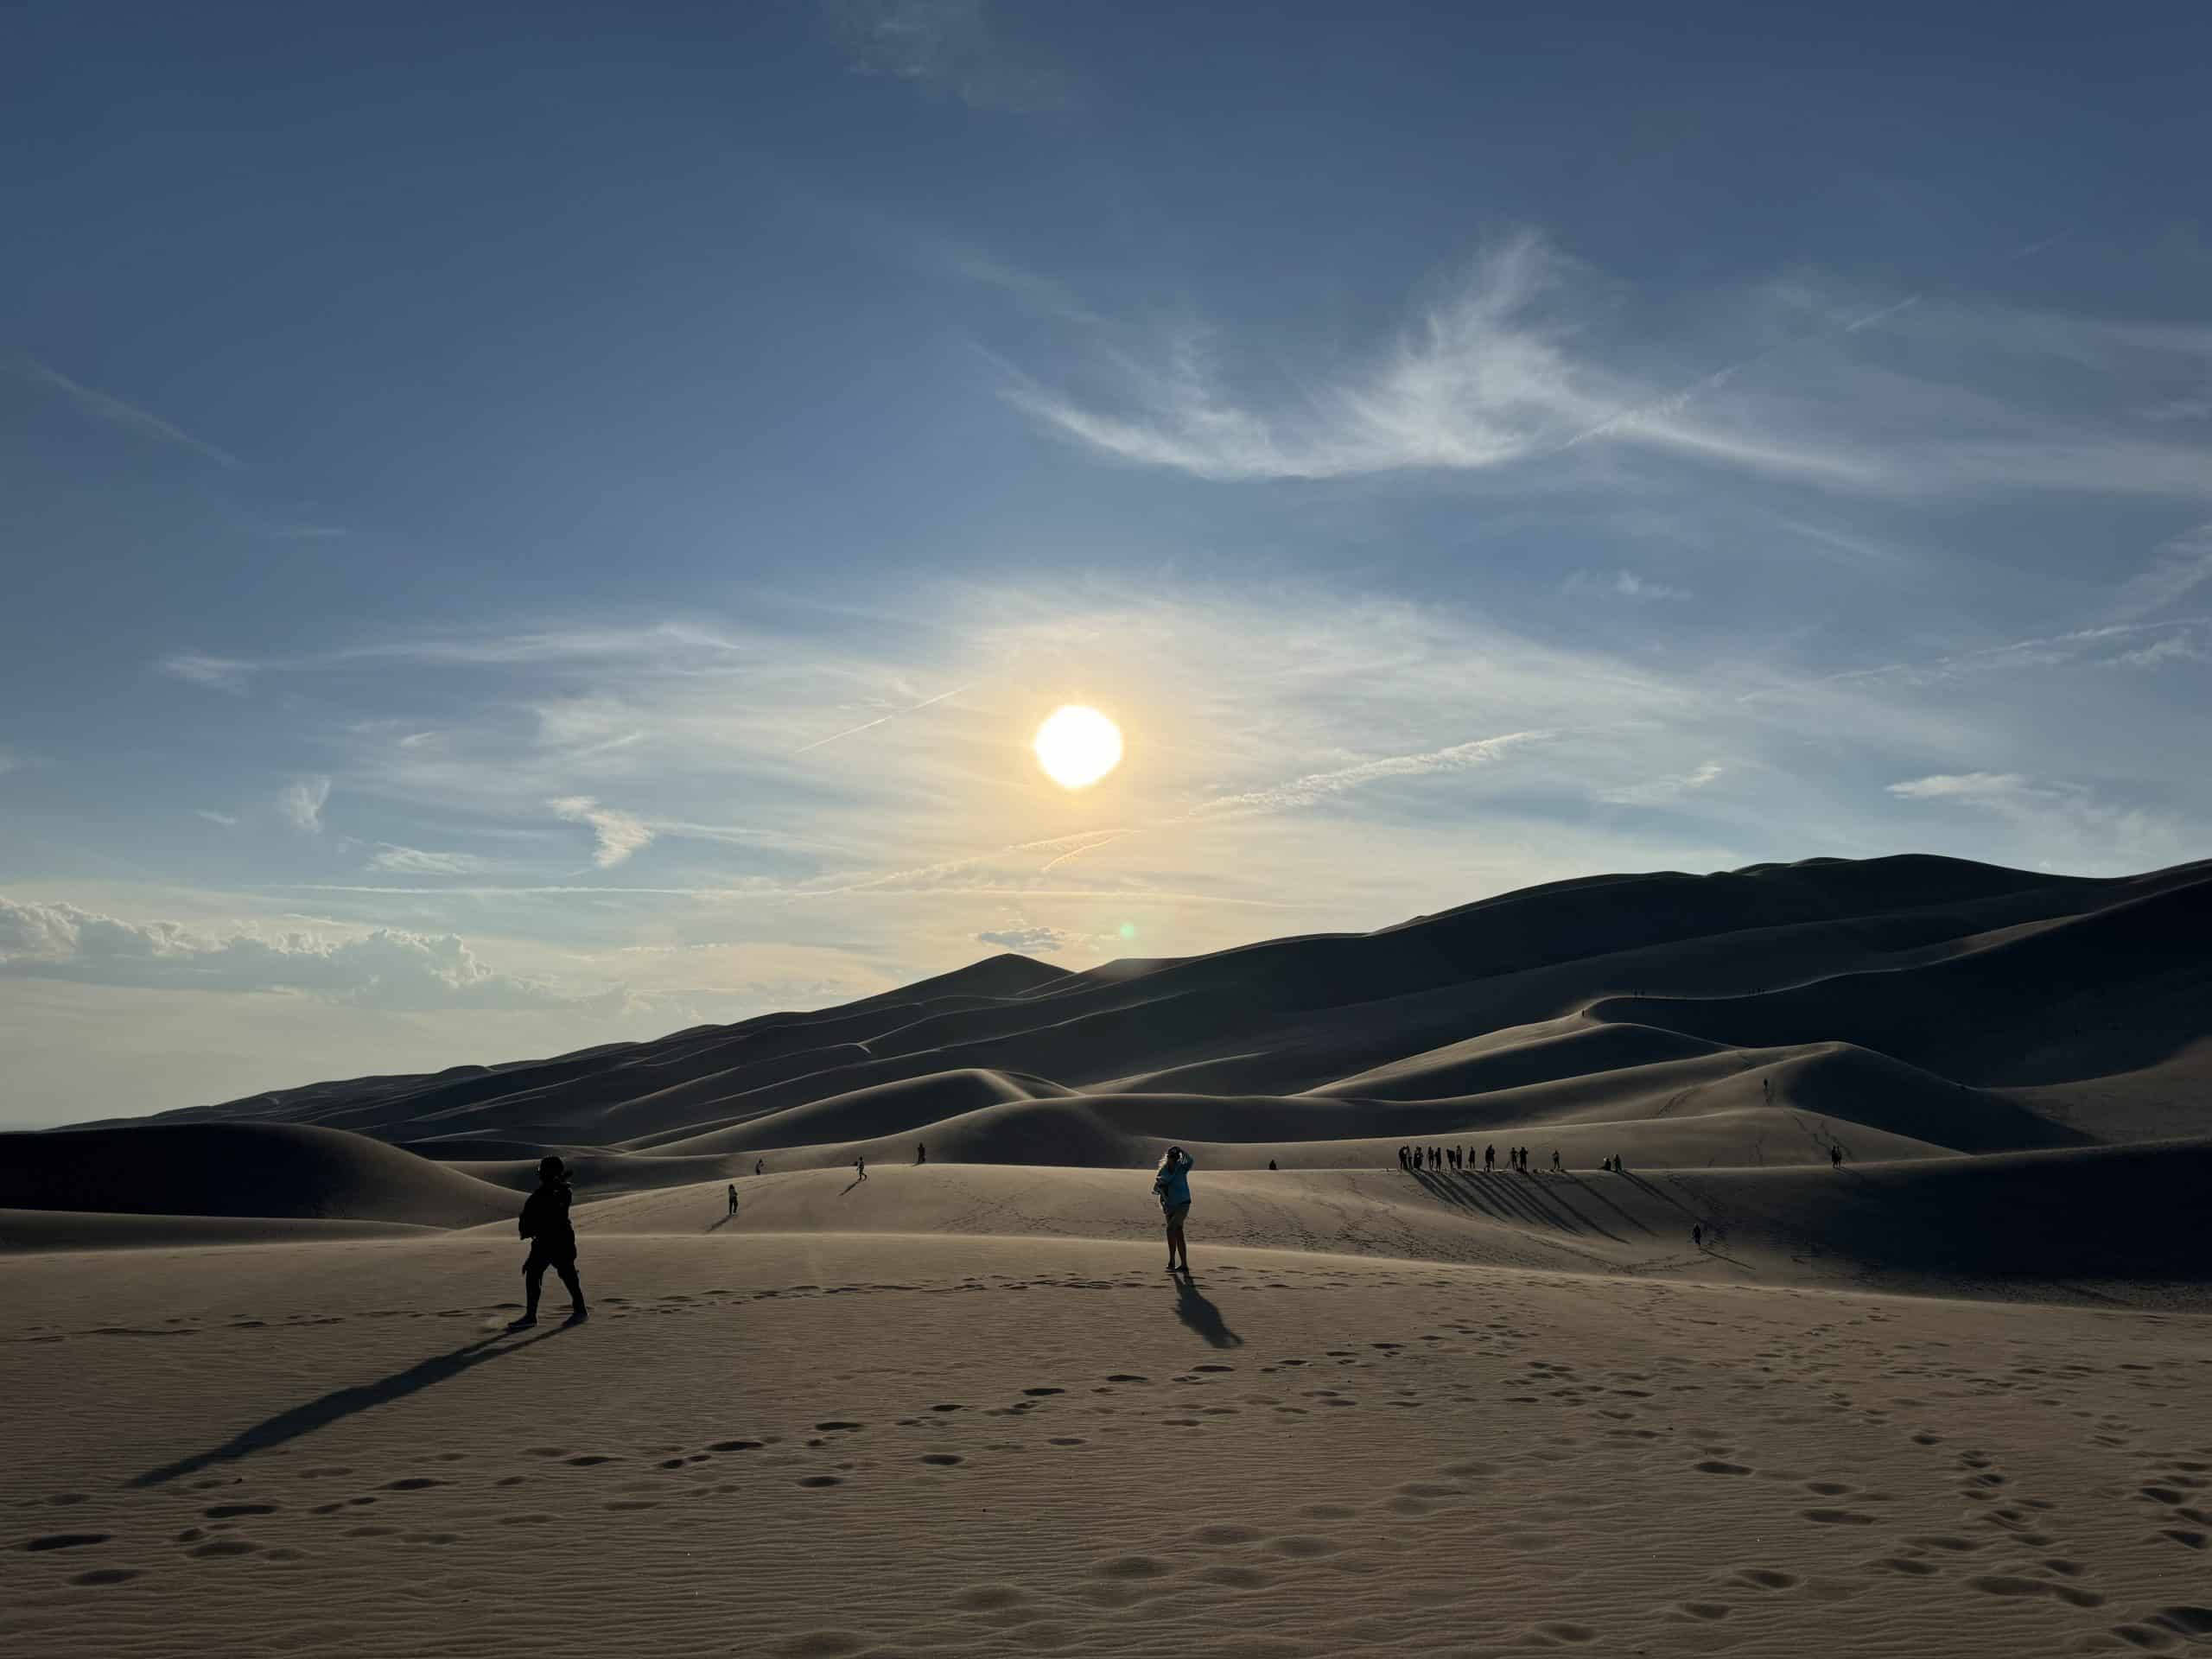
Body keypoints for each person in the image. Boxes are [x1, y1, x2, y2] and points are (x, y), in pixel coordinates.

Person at [512, 1156, 587, 1328]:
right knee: (538, 1274)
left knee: (566, 1274)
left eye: (544, 1172)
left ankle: (578, 1309)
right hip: (548, 1241)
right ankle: (533, 1316)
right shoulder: (551, 1190)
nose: (541, 1176)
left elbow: (552, 1213)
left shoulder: (559, 1192)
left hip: (555, 1241)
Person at [1154, 1147, 1195, 1274]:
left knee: (1170, 1229)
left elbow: (1191, 1160)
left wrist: (1181, 1150)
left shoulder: (1182, 1168)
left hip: (1183, 1203)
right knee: (1177, 1232)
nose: (1174, 1160)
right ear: (1168, 1157)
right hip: (1170, 1205)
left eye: (1176, 1158)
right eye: (1172, 1157)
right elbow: (1159, 1189)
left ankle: (1172, 1262)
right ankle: (1182, 1264)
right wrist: (1163, 1204)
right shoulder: (1163, 1172)